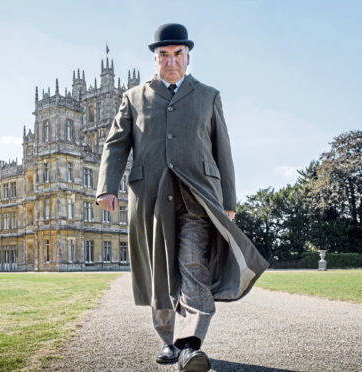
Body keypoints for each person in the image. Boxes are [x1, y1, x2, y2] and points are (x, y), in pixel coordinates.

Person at [96, 23, 269, 372]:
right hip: (151, 195)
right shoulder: (133, 97)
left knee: (194, 266)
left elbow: (223, 150)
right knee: (158, 270)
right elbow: (115, 145)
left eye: (177, 54)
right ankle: (167, 339)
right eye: (163, 55)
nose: (170, 61)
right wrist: (106, 186)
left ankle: (189, 344)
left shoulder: (209, 95)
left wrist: (229, 200)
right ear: (154, 59)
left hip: (198, 195)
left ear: (188, 57)